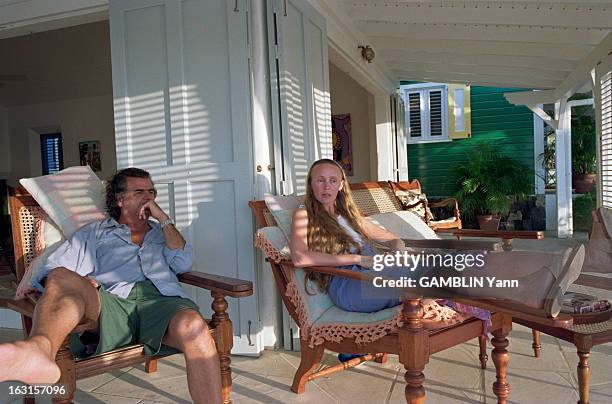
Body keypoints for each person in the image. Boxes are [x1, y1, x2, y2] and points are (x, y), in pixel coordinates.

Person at [0, 168, 221, 404]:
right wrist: (83, 283)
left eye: (151, 192)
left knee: (194, 326)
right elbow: (53, 271)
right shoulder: (94, 233)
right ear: (119, 199)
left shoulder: (162, 233)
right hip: (111, 302)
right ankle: (38, 351)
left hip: (163, 303)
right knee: (61, 275)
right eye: (139, 191)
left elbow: (184, 261)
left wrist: (164, 219)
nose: (148, 197)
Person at [290, 159, 584, 320]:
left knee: (456, 262)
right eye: (320, 179)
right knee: (443, 266)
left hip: (376, 276)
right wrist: (359, 258)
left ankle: (530, 287)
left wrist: (396, 248)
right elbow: (301, 257)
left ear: (341, 185)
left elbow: (391, 238)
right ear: (311, 184)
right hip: (351, 286)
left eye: (332, 180)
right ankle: (529, 289)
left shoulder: (352, 215)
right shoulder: (305, 214)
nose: (326, 186)